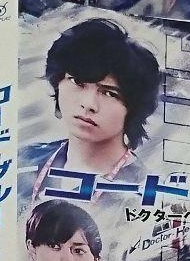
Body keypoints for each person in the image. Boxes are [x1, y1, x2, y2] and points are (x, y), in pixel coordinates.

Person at [23, 18, 162, 203]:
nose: (89, 104)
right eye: (77, 82)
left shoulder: (142, 193)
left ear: (133, 108)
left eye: (109, 93)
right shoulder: (24, 161)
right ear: (57, 82)